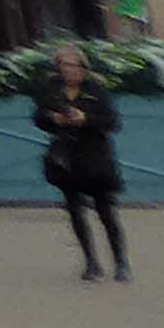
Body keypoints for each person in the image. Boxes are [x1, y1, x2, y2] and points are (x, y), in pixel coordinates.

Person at [33, 45, 129, 282]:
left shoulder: (96, 89)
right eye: (63, 66)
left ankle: (121, 263)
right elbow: (38, 117)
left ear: (83, 67)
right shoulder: (51, 89)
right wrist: (53, 118)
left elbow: (112, 122)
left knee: (106, 212)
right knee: (75, 210)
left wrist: (85, 119)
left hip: (95, 156)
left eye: (73, 66)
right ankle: (91, 262)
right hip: (66, 157)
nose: (68, 70)